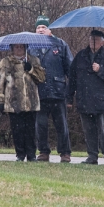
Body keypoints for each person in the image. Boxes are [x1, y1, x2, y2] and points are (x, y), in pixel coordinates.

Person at [67, 30, 104, 166]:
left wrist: (101, 70)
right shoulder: (80, 56)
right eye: (91, 39)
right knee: (88, 130)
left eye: (96, 40)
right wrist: (69, 98)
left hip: (101, 100)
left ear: (102, 42)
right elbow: (72, 78)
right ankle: (92, 155)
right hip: (84, 99)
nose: (93, 42)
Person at [30, 15, 73, 163]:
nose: (41, 30)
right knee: (40, 125)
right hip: (39, 92)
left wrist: (70, 93)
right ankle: (43, 151)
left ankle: (65, 153)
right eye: (38, 27)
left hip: (58, 91)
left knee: (61, 124)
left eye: (43, 27)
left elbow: (70, 70)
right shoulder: (30, 47)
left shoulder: (60, 45)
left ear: (49, 29)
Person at [0, 43, 46, 161]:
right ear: (12, 48)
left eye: (21, 47)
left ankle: (31, 155)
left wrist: (31, 69)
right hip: (13, 102)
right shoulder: (6, 62)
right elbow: (0, 83)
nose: (19, 49)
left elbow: (42, 78)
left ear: (25, 48)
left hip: (31, 102)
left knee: (30, 130)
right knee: (17, 130)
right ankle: (20, 154)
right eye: (16, 47)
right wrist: (0, 100)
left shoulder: (34, 60)